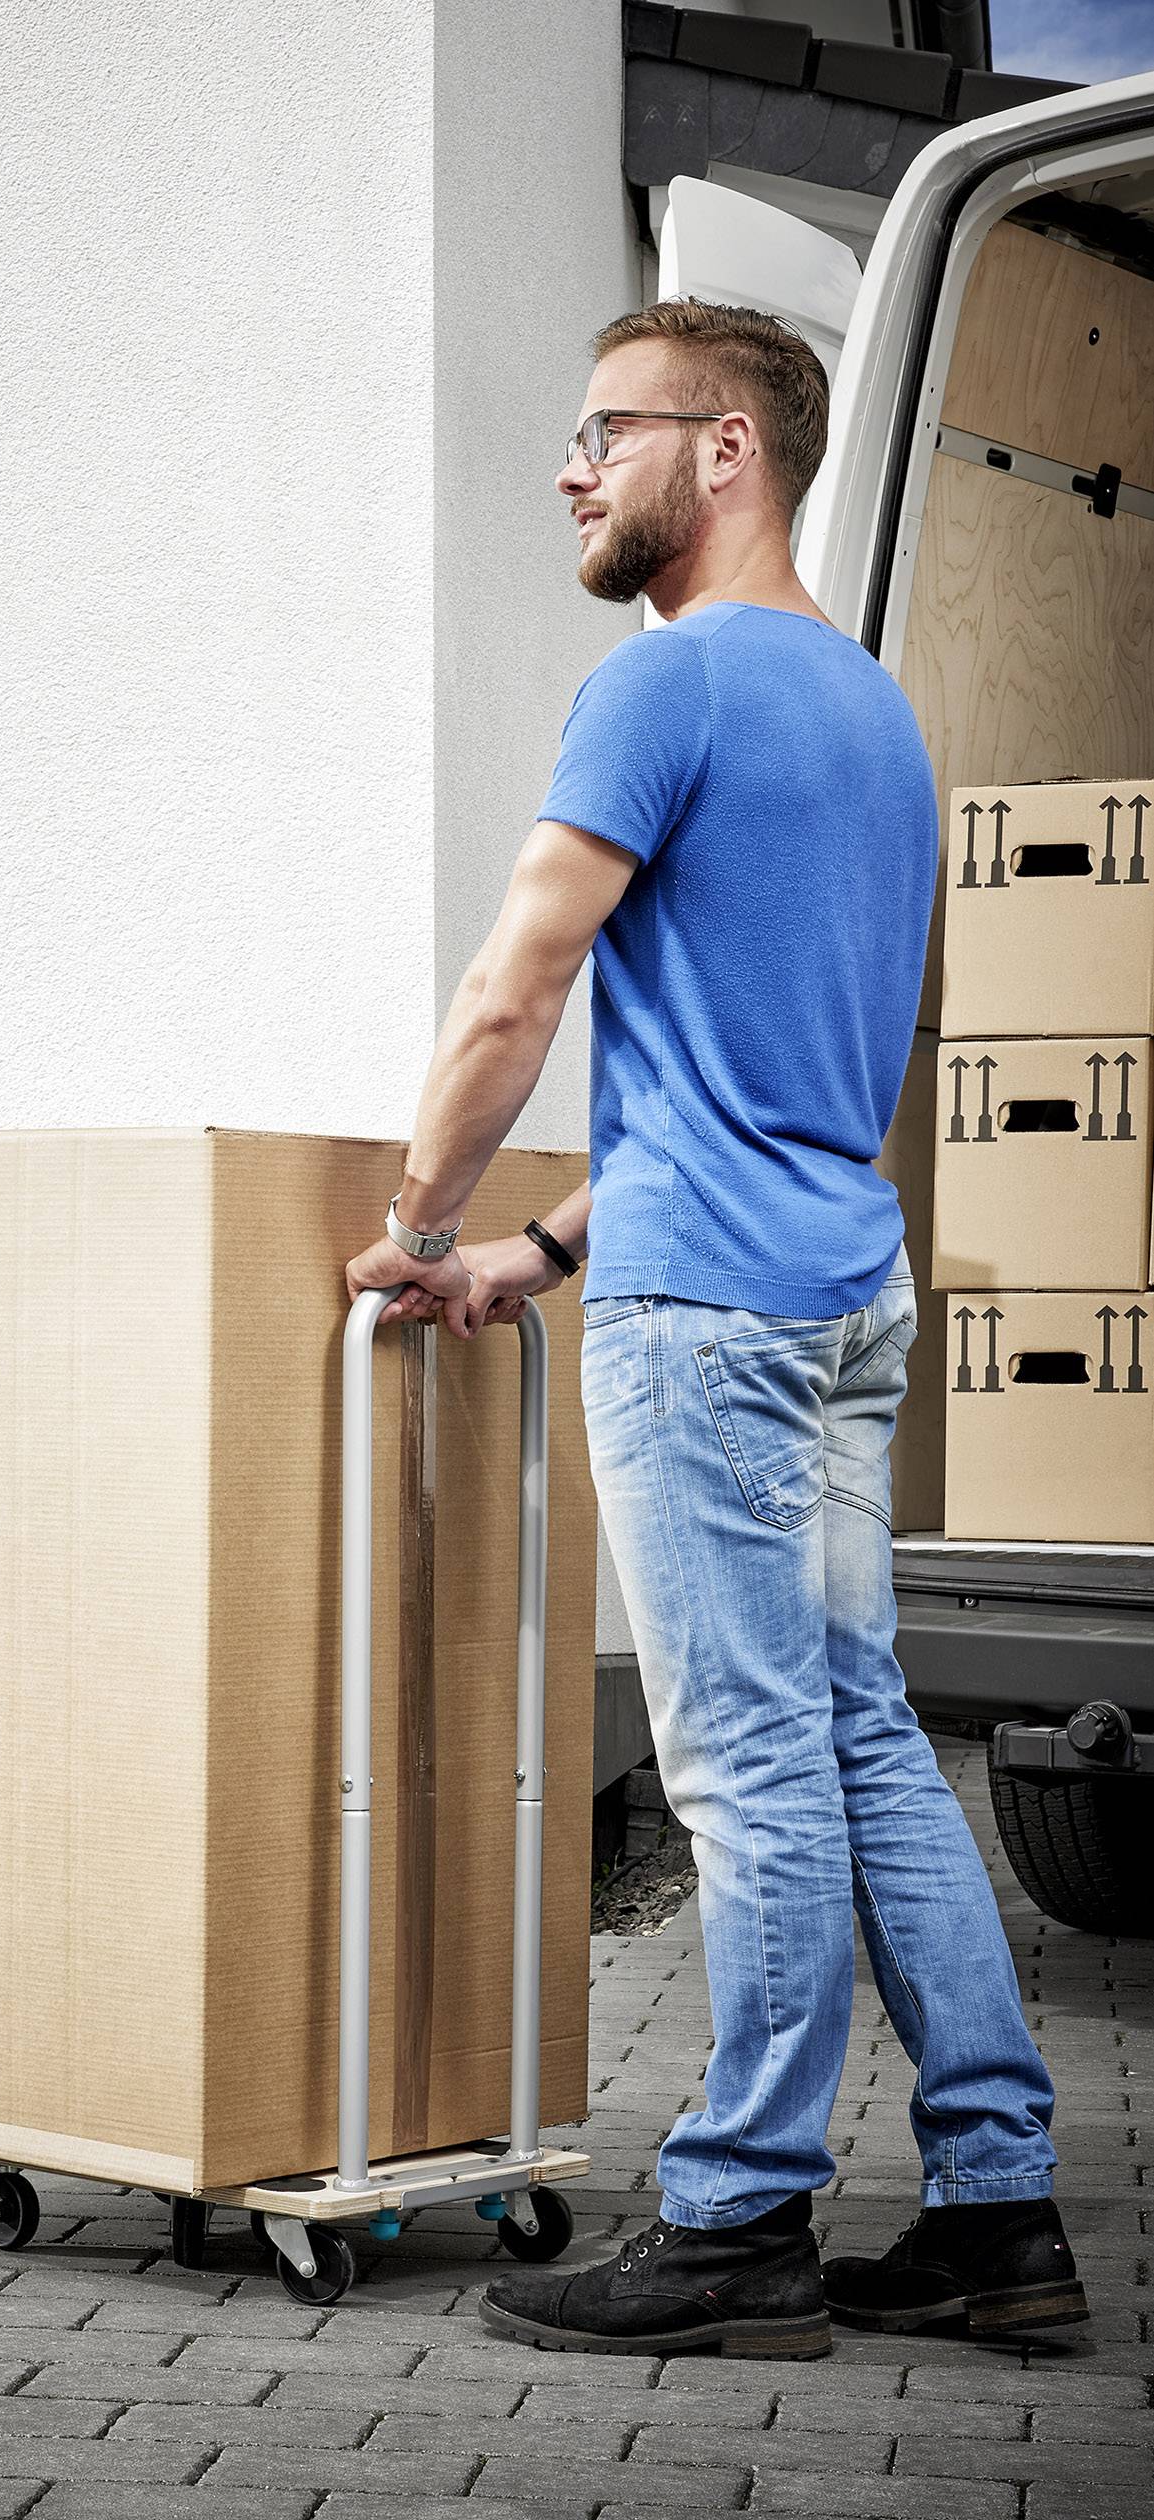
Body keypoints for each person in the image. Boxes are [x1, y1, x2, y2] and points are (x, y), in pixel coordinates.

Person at [342, 296, 1084, 2360]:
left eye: (608, 431)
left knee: (749, 1766)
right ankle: (999, 2215)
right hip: (844, 1289)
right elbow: (766, 1071)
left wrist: (420, 1221)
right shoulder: (867, 712)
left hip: (719, 1326)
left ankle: (741, 2219)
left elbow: (516, 993)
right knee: (859, 1746)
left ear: (731, 447)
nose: (571, 469)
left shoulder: (653, 691)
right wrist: (542, 1251)